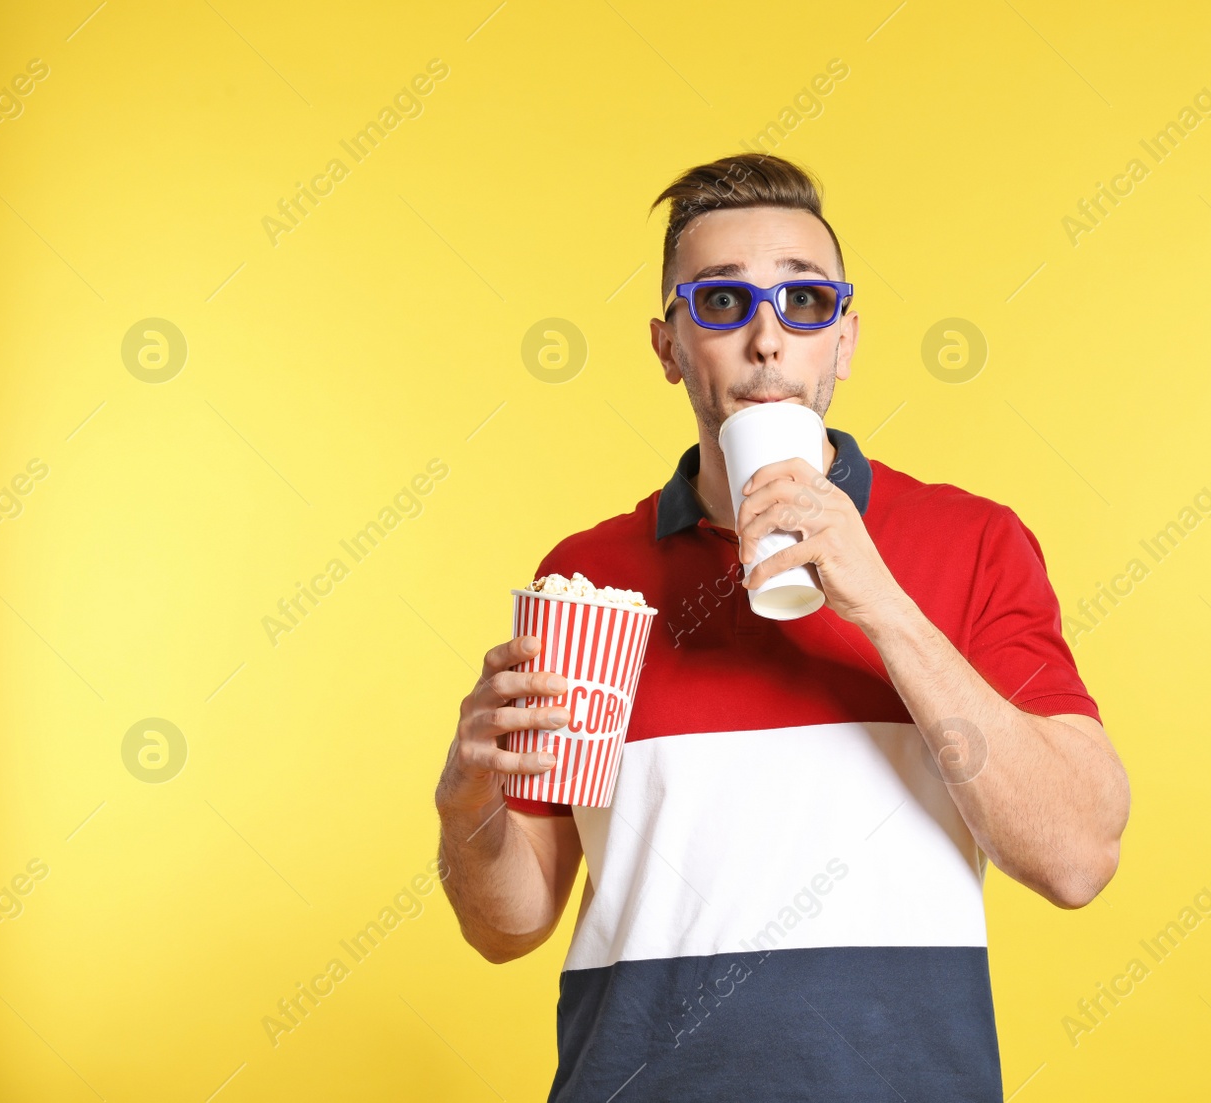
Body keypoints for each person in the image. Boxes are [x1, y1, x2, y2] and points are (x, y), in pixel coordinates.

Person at [434, 153, 1131, 1101]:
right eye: (721, 303)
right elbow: (510, 923)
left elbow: (1078, 856)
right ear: (668, 345)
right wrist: (467, 806)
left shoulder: (973, 543)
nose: (768, 337)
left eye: (806, 302)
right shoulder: (588, 578)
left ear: (844, 339)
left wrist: (878, 600)